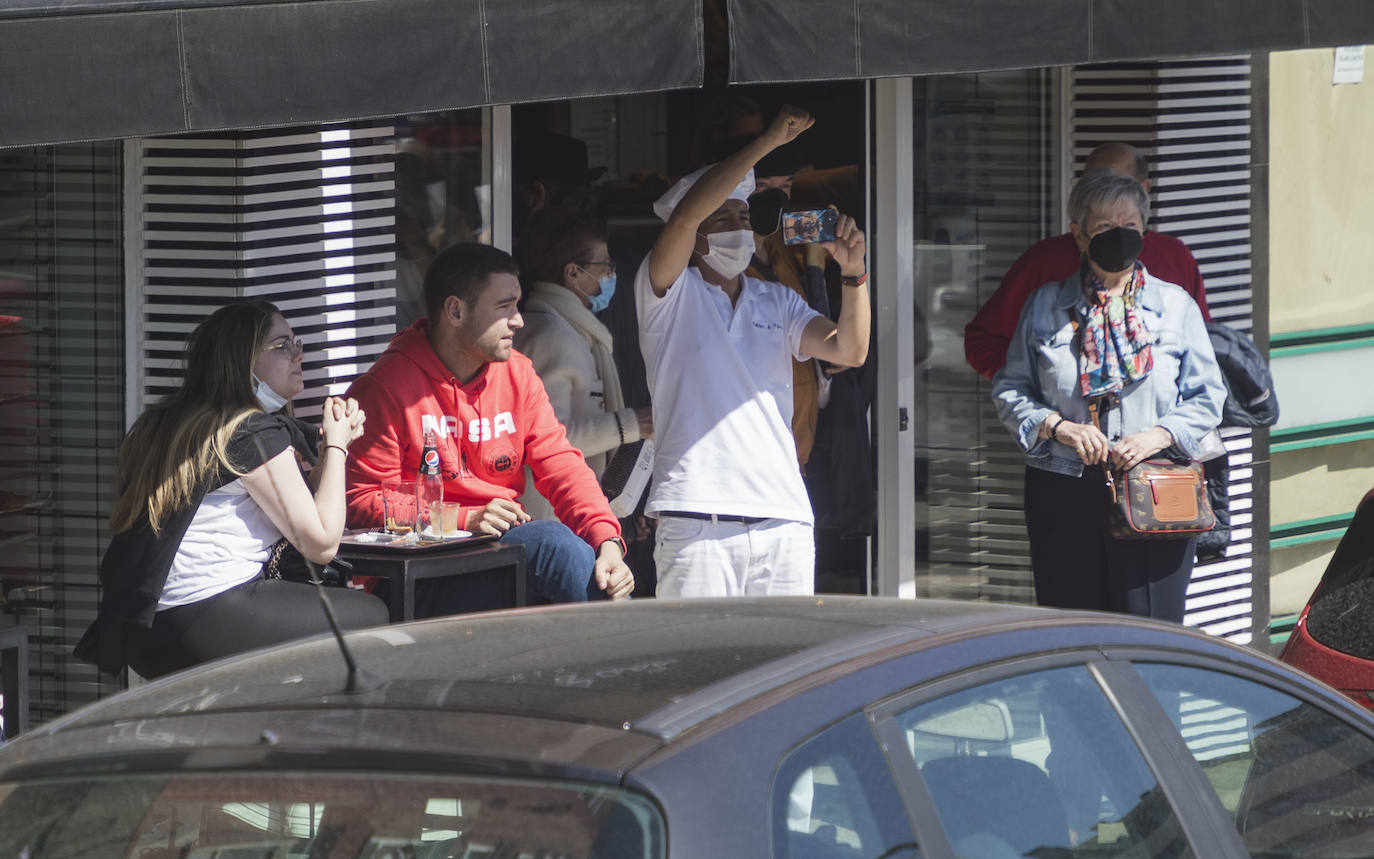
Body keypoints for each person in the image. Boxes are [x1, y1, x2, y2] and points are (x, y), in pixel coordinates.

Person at [75, 301, 389, 678]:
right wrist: (337, 446)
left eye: (296, 342)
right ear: (244, 361)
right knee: (374, 615)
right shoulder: (250, 432)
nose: (299, 354)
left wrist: (326, 451)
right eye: (282, 346)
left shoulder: (165, 422)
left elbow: (309, 513)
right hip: (205, 613)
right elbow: (321, 545)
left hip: (144, 627)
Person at [637, 105, 870, 597]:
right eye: (723, 217)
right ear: (697, 233)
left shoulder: (777, 298)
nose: (740, 226)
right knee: (701, 669)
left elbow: (848, 350)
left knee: (785, 671)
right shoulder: (669, 294)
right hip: (698, 520)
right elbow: (684, 216)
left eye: (745, 216)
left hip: (782, 517)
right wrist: (768, 142)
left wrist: (854, 273)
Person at [991, 170, 1226, 622]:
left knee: (1152, 634)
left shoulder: (1175, 306)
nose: (1119, 236)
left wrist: (1157, 436)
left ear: (1144, 231)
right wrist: (1058, 427)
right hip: (1063, 487)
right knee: (1074, 633)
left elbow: (1207, 397)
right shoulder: (1044, 306)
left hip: (1155, 485)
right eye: (1103, 228)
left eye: (1130, 226)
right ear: (1078, 235)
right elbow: (1009, 390)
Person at [344, 242, 635, 608]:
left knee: (578, 559)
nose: (519, 320)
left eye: (517, 303)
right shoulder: (387, 387)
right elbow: (359, 501)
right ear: (455, 310)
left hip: (498, 555)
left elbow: (562, 465)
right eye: (504, 307)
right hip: (416, 572)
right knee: (551, 544)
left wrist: (606, 543)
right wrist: (463, 518)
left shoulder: (518, 372)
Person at [965, 142, 1212, 379]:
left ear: (1144, 190)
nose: (1108, 199)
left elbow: (1204, 356)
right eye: (1095, 188)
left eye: (1120, 189)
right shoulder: (1045, 263)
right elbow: (984, 343)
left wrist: (1171, 422)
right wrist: (1037, 386)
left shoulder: (1174, 258)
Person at [513, 208, 653, 521]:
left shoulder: (572, 330)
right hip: (553, 513)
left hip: (568, 509)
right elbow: (549, 437)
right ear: (573, 273)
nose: (611, 275)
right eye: (605, 266)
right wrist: (631, 425)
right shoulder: (552, 335)